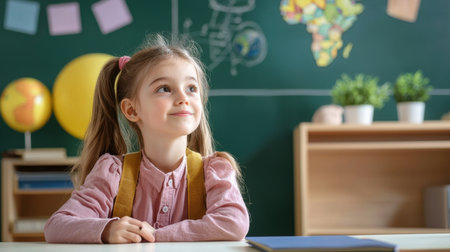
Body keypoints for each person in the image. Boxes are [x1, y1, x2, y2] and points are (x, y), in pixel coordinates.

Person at [44, 34, 249, 243]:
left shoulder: (215, 171)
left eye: (191, 88)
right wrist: (107, 230)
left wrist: (152, 236)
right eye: (164, 89)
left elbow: (233, 223)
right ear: (132, 109)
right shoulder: (112, 172)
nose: (183, 98)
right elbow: (56, 226)